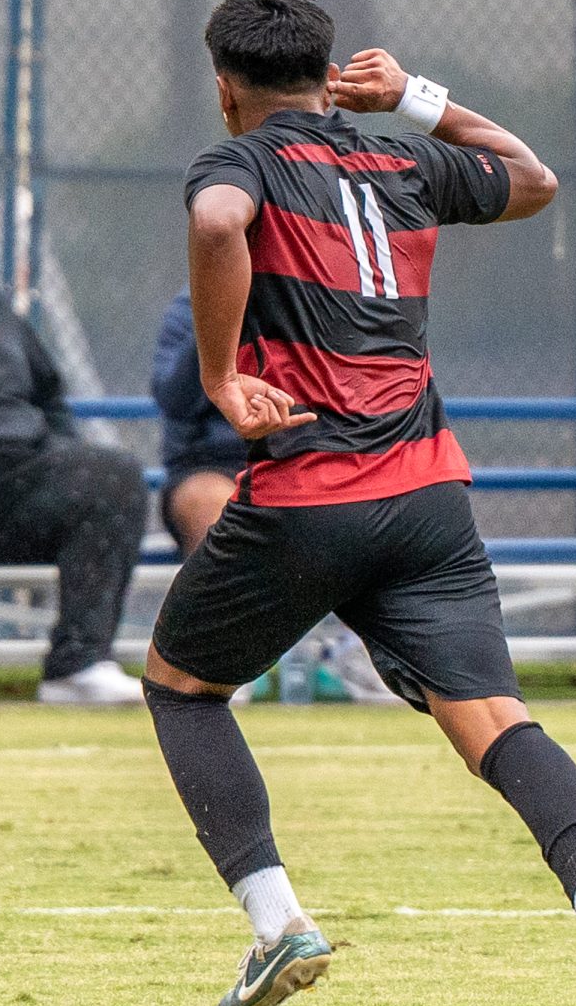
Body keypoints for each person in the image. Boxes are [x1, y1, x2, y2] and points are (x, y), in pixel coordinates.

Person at [142, 0, 576, 1006]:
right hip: (428, 499)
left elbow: (213, 222)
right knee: (492, 721)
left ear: (226, 87)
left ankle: (277, 919)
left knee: (180, 687)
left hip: (307, 497)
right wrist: (419, 101)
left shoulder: (239, 161)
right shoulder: (401, 159)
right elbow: (533, 181)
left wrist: (221, 376)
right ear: (330, 75)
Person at [151, 285, 400, 704]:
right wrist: (222, 317)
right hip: (210, 465)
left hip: (306, 461)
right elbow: (173, 396)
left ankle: (362, 654)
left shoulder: (322, 299)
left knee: (384, 497)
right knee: (211, 506)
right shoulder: (192, 303)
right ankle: (218, 658)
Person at [0, 285, 146, 703]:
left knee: (113, 476)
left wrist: (58, 447)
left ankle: (79, 667)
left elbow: (50, 399)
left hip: (16, 477)